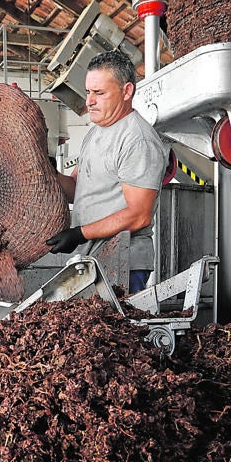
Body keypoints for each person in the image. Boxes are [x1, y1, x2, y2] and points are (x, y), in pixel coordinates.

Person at [46, 50, 168, 294]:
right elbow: (76, 191)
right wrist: (49, 174)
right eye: (89, 92)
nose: (89, 101)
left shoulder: (137, 140)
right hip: (90, 260)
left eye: (99, 93)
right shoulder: (96, 132)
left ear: (127, 91)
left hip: (122, 262)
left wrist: (79, 233)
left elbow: (139, 215)